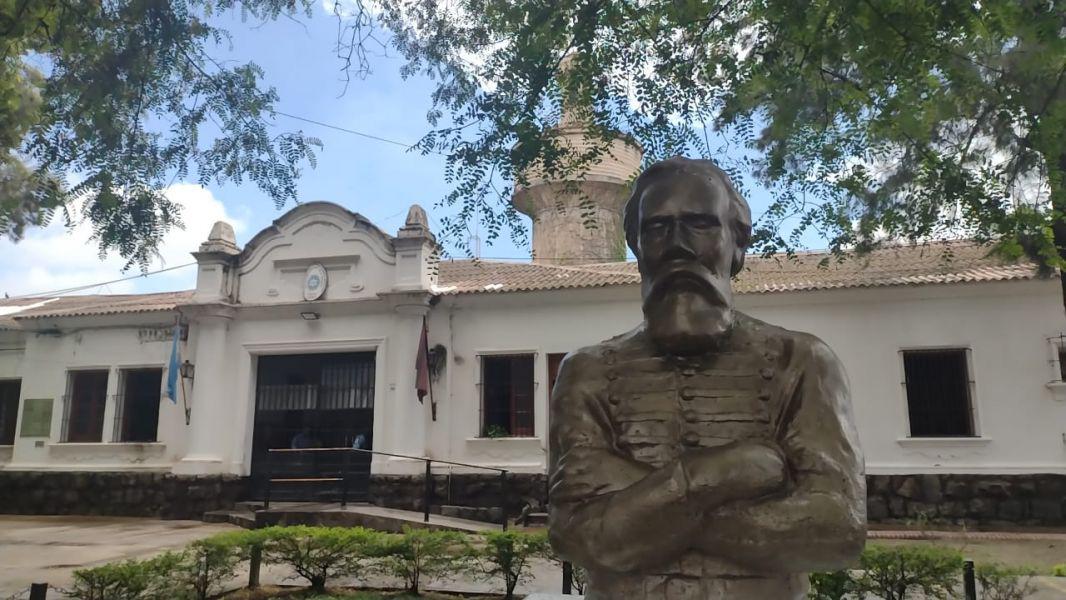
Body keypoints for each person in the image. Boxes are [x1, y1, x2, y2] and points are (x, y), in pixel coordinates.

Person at [548, 157, 866, 600]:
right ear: (637, 248)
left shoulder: (802, 360)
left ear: (737, 243)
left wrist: (640, 493)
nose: (678, 245)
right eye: (657, 228)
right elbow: (574, 535)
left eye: (699, 224)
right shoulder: (587, 371)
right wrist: (732, 473)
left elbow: (837, 532)